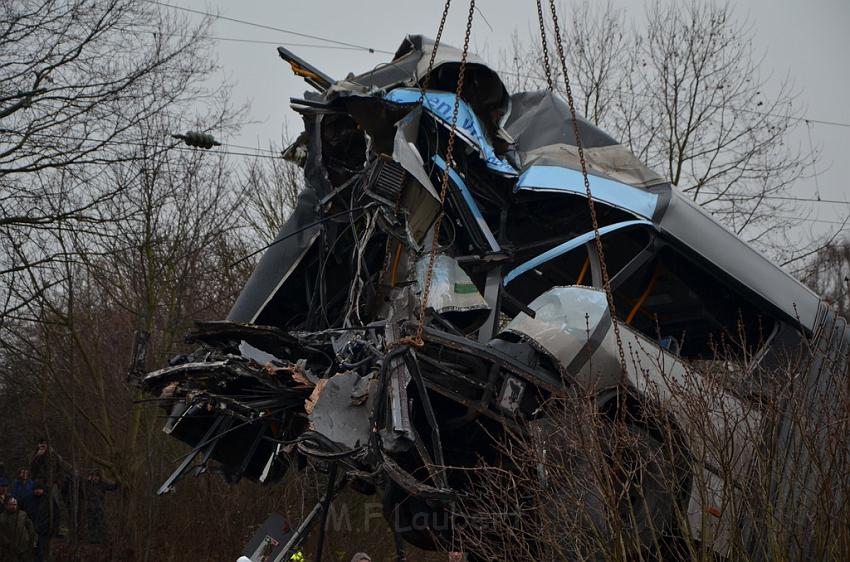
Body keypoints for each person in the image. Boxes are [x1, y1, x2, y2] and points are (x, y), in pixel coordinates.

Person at [21, 482, 59, 562]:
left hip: (44, 529)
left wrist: (54, 528)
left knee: (40, 551)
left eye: (39, 489)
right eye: (36, 489)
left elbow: (56, 514)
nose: (38, 491)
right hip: (29, 529)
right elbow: (22, 513)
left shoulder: (48, 499)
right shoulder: (27, 499)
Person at [82, 469, 117, 544]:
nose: (95, 478)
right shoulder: (88, 484)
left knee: (99, 523)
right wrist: (88, 481)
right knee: (91, 524)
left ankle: (100, 539)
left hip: (99, 508)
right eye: (94, 476)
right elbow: (82, 487)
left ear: (99, 477)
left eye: (97, 476)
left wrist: (117, 479)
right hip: (90, 508)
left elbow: (113, 487)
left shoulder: (102, 484)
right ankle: (92, 539)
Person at [0, 496, 36, 562]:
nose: (13, 506)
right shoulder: (2, 517)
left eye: (15, 504)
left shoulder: (23, 514)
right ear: (6, 505)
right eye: (11, 504)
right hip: (9, 548)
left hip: (24, 545)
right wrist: (6, 542)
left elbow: (30, 527)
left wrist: (30, 540)